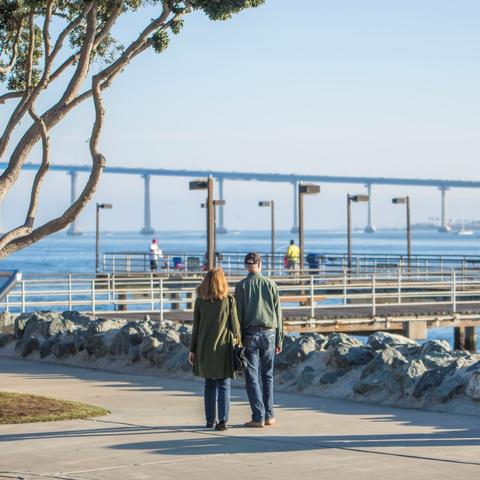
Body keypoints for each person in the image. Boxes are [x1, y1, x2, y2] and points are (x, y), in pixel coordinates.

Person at [189, 268, 242, 431]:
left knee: (209, 385)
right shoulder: (228, 301)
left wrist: (193, 350)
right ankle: (223, 421)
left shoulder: (200, 301)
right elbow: (235, 326)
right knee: (224, 384)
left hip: (205, 347)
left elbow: (196, 328)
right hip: (223, 348)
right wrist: (239, 343)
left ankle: (209, 420)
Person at [235, 252, 283, 428]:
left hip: (250, 334)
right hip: (270, 332)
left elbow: (238, 315)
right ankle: (270, 415)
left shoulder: (241, 286)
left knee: (252, 377)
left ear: (246, 266)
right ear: (260, 264)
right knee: (268, 376)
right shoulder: (271, 284)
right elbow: (278, 313)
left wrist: (237, 339)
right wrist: (280, 339)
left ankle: (258, 416)